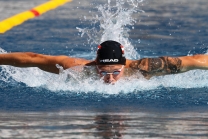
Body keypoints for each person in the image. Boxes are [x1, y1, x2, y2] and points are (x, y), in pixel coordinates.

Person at [0, 40, 208, 84]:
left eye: (116, 72)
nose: (109, 78)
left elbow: (195, 60)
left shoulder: (145, 68)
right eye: (103, 72)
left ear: (124, 64)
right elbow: (34, 59)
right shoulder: (80, 69)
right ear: (96, 65)